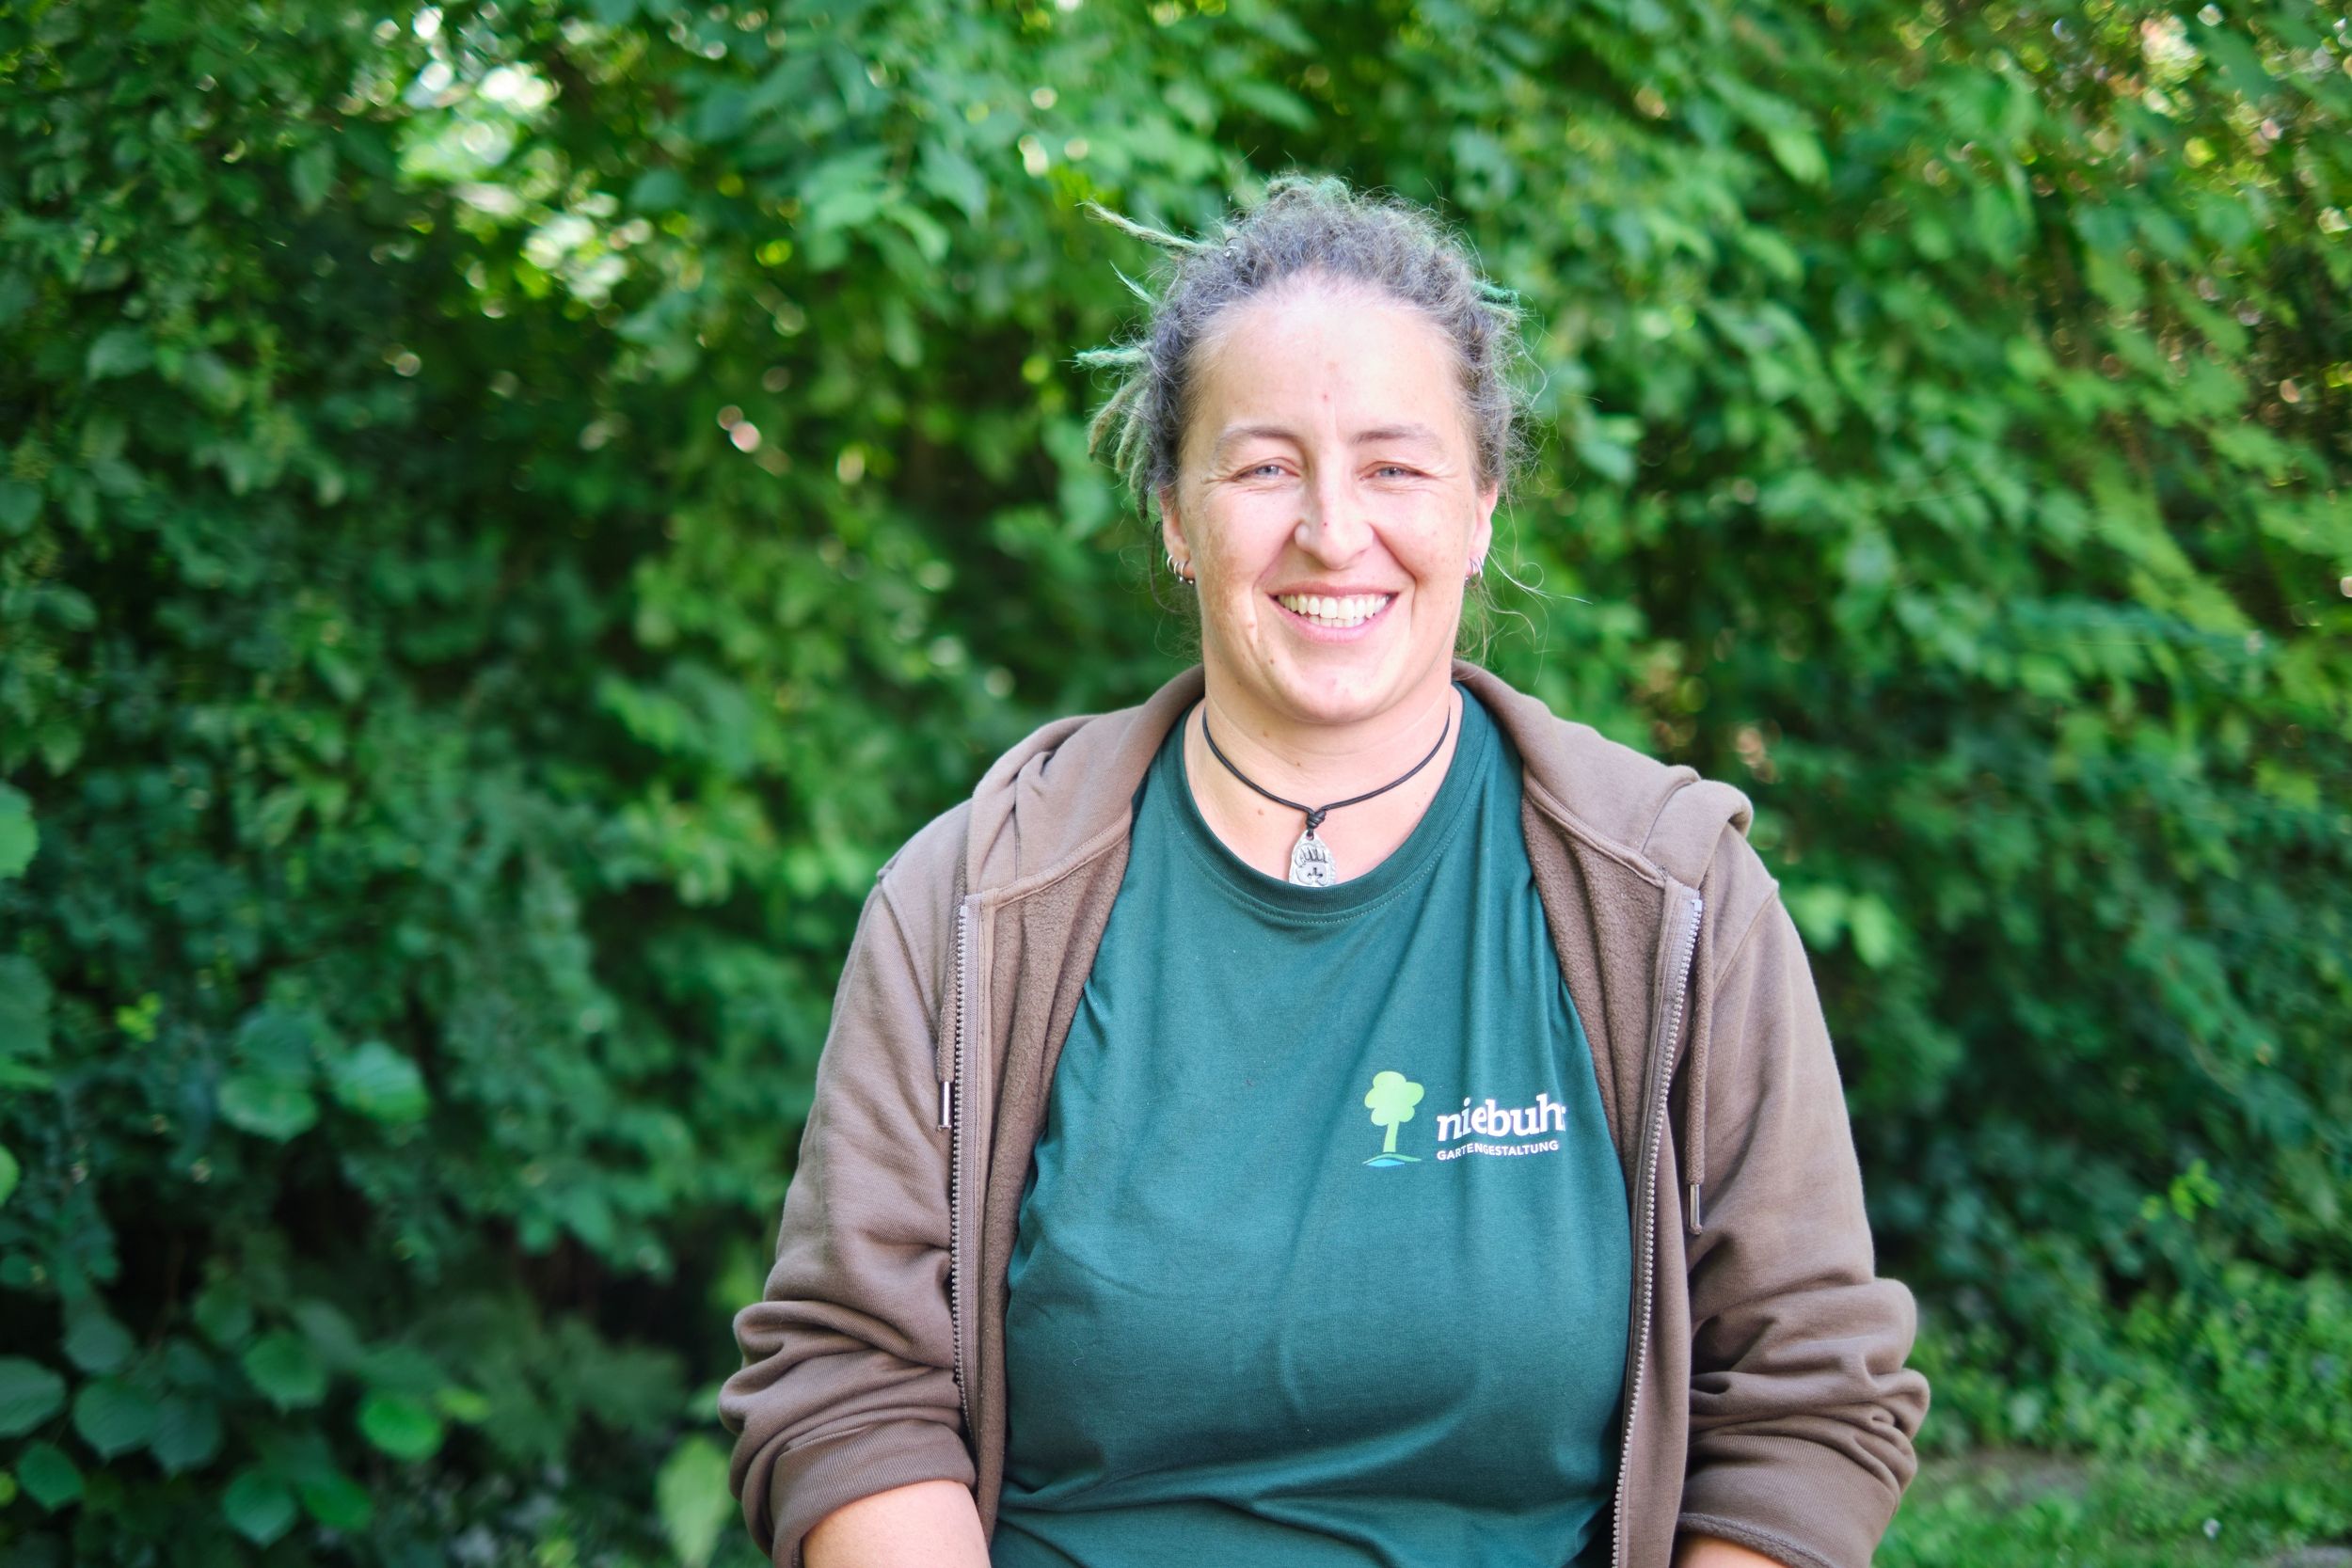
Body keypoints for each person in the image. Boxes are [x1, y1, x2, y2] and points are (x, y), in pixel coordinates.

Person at [719, 174, 1929, 1568]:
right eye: (1264, 468)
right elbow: (849, 1383)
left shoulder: (1672, 897)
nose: (1333, 530)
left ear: (1482, 510)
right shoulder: (974, 900)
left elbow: (1808, 1402)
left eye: (1395, 468)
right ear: (1176, 516)